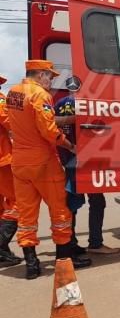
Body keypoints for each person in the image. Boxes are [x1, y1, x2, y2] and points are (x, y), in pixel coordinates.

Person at [5, 60, 90, 279]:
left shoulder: (13, 92)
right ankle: (64, 258)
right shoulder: (40, 96)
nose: (50, 81)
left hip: (20, 163)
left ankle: (31, 264)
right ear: (40, 74)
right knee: (60, 212)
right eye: (50, 77)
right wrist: (71, 145)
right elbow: (49, 131)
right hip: (43, 162)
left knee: (26, 215)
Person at [55, 96, 118, 255]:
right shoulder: (91, 102)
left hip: (69, 159)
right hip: (87, 160)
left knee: (72, 203)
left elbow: (53, 128)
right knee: (95, 201)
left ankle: (71, 242)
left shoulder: (61, 103)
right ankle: (94, 244)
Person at [0, 75, 22, 266]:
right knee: (17, 202)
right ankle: (1, 247)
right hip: (2, 161)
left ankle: (3, 251)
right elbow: (9, 121)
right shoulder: (0, 100)